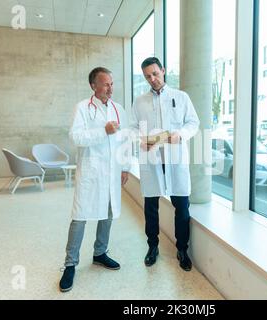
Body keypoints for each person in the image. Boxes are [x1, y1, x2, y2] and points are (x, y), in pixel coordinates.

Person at [59, 67, 130, 292]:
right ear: (93, 86)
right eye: (105, 83)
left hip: (112, 172)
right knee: (80, 217)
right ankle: (70, 264)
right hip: (91, 172)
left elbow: (126, 139)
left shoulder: (119, 109)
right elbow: (76, 137)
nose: (110, 87)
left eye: (111, 83)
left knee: (107, 213)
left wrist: (125, 166)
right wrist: (103, 131)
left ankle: (100, 252)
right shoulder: (82, 107)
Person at [130, 57, 200, 271]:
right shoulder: (139, 101)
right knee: (151, 207)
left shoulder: (181, 97)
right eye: (148, 76)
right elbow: (132, 127)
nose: (152, 79)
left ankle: (182, 249)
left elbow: (193, 123)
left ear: (163, 70)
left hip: (175, 159)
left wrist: (182, 134)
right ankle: (153, 247)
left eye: (155, 74)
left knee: (182, 206)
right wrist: (140, 139)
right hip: (151, 160)